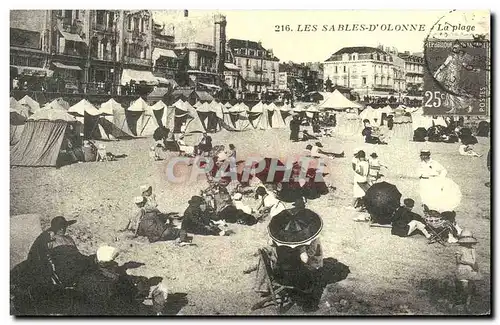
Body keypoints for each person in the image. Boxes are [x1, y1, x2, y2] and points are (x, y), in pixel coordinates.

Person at [455, 230, 481, 311]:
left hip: (472, 270)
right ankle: (460, 303)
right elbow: (458, 261)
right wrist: (469, 263)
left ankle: (467, 305)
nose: (468, 243)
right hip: (462, 270)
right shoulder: (460, 249)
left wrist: (476, 266)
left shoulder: (473, 249)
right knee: (464, 288)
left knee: (470, 288)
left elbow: (474, 260)